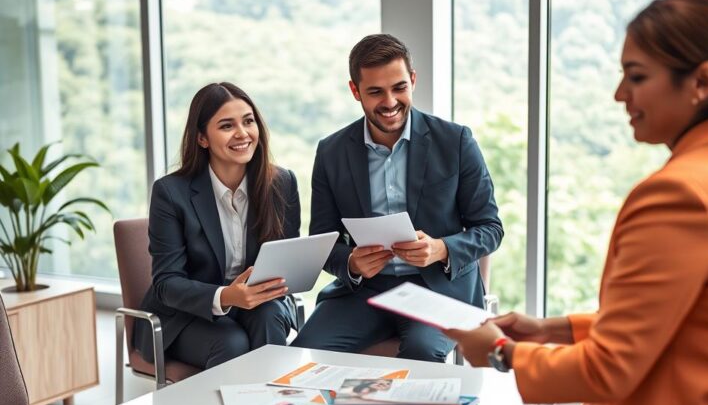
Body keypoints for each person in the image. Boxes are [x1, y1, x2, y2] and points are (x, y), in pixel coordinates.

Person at [443, 0, 708, 405]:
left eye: (636, 77)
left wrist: (501, 353)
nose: (620, 94)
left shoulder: (679, 194)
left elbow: (610, 370)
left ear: (702, 82)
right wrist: (550, 330)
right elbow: (682, 320)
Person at [292, 34, 503, 362]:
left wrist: (441, 248)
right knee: (303, 353)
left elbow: (490, 228)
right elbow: (323, 241)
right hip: (363, 292)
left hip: (437, 290)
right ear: (355, 91)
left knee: (422, 352)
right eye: (375, 91)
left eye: (399, 87)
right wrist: (351, 262)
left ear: (413, 80)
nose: (390, 102)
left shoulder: (456, 141)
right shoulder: (331, 152)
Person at [134, 82, 300, 370]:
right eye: (227, 126)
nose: (242, 133)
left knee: (269, 316)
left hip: (259, 305)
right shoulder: (170, 193)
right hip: (185, 316)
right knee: (231, 341)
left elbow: (288, 262)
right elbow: (167, 283)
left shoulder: (281, 183)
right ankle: (230, 403)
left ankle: (274, 398)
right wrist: (225, 296)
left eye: (248, 121)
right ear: (202, 138)